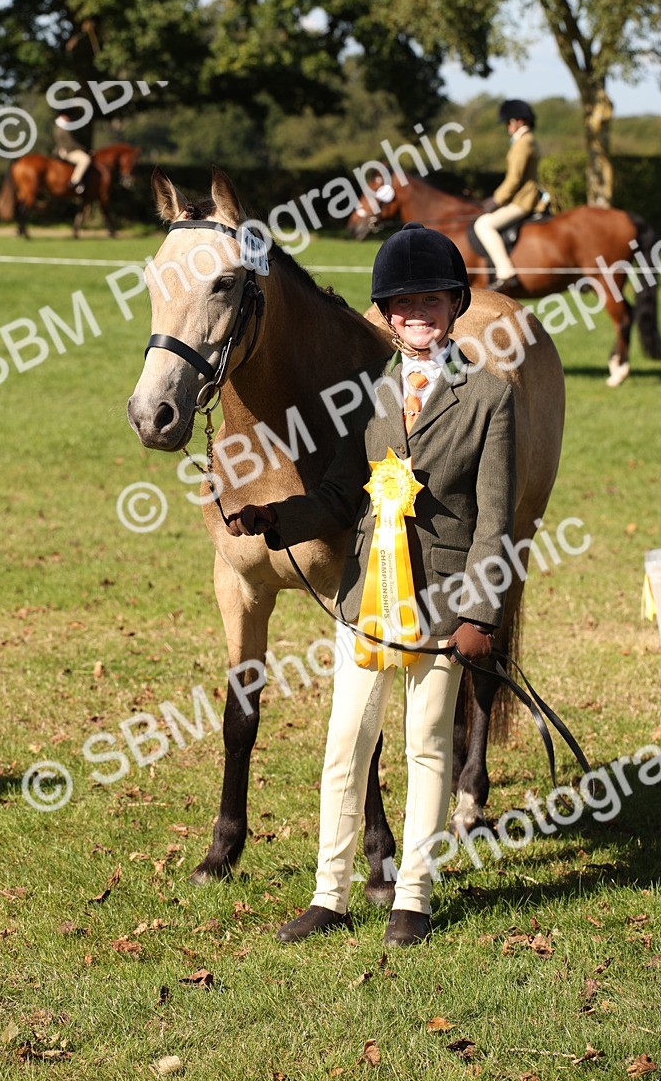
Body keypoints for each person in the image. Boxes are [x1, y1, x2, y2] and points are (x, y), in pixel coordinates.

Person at [226, 224, 517, 947]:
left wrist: (481, 612)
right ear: (385, 315)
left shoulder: (490, 398)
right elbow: (336, 496)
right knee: (345, 743)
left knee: (425, 743)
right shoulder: (368, 396)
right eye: (401, 303)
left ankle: (411, 896)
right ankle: (330, 892)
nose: (416, 313)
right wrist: (277, 517)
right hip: (367, 601)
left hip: (445, 605)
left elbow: (496, 521)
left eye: (430, 300)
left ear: (453, 305)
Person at [473, 99, 546, 292]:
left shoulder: (523, 142)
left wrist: (496, 199)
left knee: (484, 224)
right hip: (522, 198)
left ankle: (506, 273)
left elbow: (514, 179)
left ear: (519, 121)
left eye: (508, 123)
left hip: (522, 201)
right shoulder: (526, 140)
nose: (507, 127)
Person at [53, 113, 91, 195]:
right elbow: (71, 144)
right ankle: (75, 181)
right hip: (68, 151)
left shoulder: (60, 128)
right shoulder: (64, 129)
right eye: (65, 117)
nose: (68, 118)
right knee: (85, 159)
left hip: (64, 150)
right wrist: (85, 149)